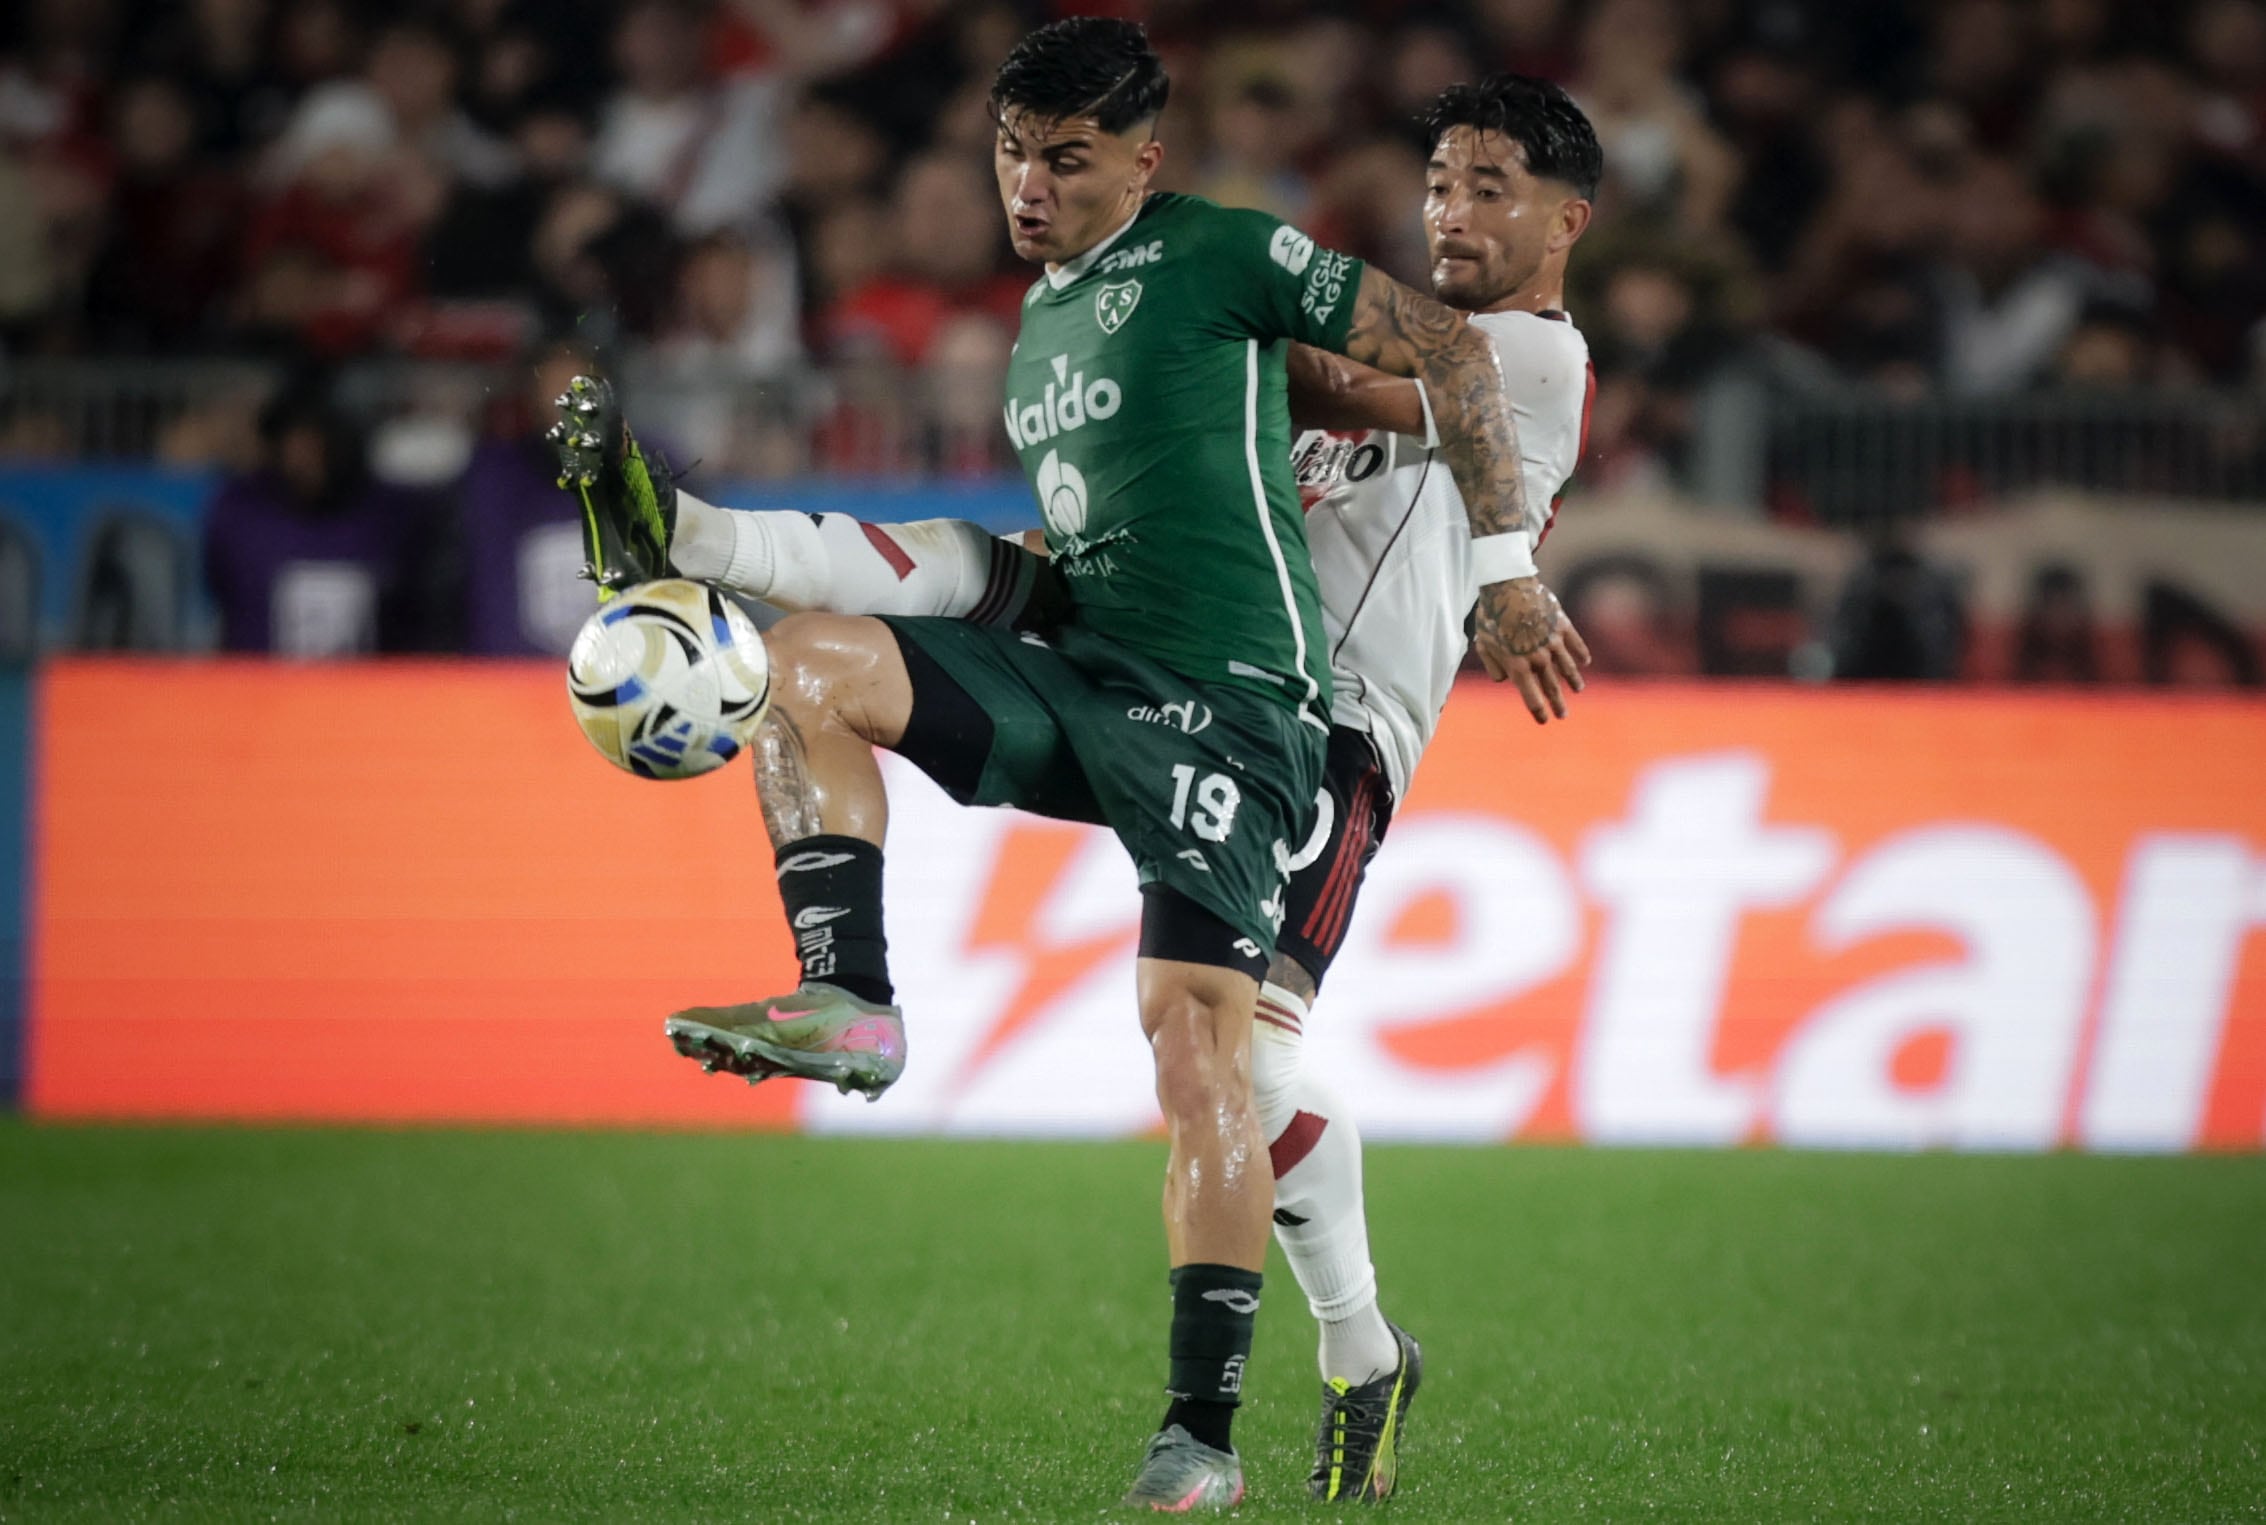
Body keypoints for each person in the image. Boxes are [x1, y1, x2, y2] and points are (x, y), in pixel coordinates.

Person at [558, 20, 1556, 1512]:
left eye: (1065, 156)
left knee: (1211, 1057)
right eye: (1013, 151)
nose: (1028, 182)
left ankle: (1209, 1432)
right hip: (1096, 671)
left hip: (1248, 712)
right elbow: (1006, 566)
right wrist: (704, 541)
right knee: (804, 663)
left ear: (1142, 161)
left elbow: (1457, 358)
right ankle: (852, 998)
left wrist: (1504, 566)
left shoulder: (1230, 259)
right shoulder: (1040, 338)